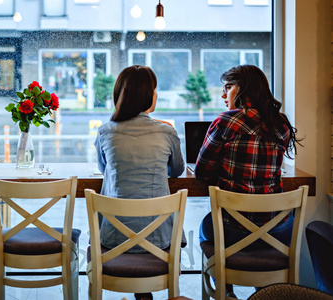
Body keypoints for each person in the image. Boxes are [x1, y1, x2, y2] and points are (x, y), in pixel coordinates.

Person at [195, 65, 302, 298]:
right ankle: (264, 292)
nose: (224, 95)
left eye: (228, 87)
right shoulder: (281, 124)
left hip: (232, 232)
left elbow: (201, 172)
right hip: (277, 232)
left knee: (205, 227)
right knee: (268, 226)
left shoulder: (226, 122)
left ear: (244, 89)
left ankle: (226, 290)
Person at [94, 65, 184, 300]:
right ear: (149, 95)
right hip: (160, 239)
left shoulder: (105, 132)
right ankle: (143, 294)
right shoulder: (167, 132)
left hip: (114, 238)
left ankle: (142, 294)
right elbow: (177, 171)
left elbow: (104, 170)